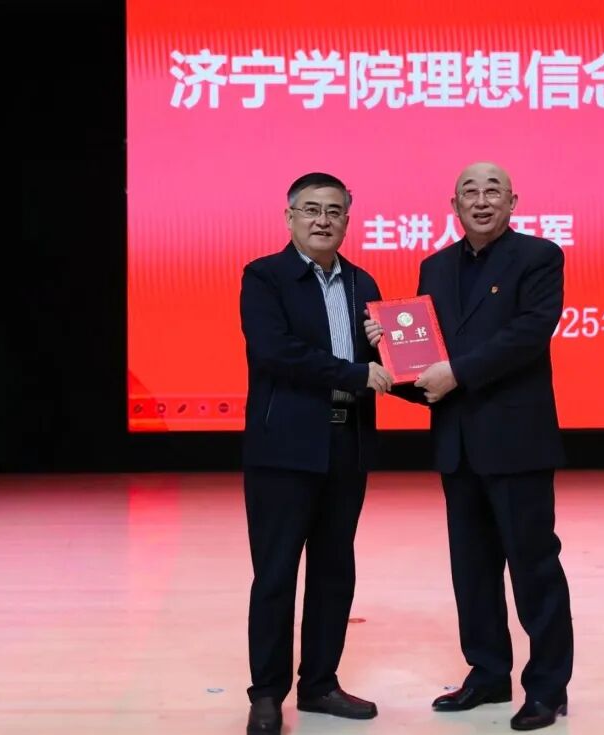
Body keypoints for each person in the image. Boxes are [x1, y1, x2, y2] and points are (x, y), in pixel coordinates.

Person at [366, 162, 573, 731]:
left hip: (517, 441)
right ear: (453, 204)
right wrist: (389, 353)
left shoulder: (538, 256)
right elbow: (427, 351)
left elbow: (529, 334)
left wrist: (457, 372)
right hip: (457, 442)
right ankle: (487, 674)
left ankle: (547, 688)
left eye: (492, 191)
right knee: (473, 569)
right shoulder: (435, 266)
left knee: (534, 568)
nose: (481, 201)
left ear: (513, 201)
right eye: (469, 192)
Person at [240, 172, 392, 735]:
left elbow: (379, 366)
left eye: (333, 211)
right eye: (310, 209)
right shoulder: (265, 276)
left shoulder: (361, 281)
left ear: (348, 220)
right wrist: (355, 373)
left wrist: (391, 356)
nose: (322, 220)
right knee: (276, 574)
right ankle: (266, 694)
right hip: (283, 448)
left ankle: (320, 684)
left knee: (334, 571)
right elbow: (274, 352)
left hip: (346, 443)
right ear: (289, 217)